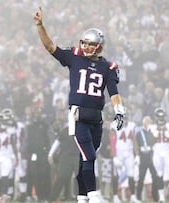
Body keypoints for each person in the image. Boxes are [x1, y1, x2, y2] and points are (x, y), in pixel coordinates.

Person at [33, 7, 125, 203]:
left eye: (91, 44)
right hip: (78, 115)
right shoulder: (73, 56)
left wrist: (119, 111)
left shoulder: (108, 67)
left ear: (100, 46)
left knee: (87, 159)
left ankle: (82, 197)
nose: (86, 46)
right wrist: (41, 26)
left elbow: (113, 92)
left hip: (96, 118)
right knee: (89, 156)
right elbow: (50, 47)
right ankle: (93, 194)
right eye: (84, 42)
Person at [151, 108, 169, 203]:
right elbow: (150, 142)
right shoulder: (152, 127)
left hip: (168, 152)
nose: (160, 119)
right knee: (159, 174)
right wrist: (156, 133)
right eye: (159, 117)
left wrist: (167, 133)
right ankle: (161, 197)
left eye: (162, 116)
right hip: (157, 153)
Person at [48, 123, 79, 202]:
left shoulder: (83, 130)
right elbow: (58, 141)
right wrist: (51, 154)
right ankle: (53, 198)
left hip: (78, 156)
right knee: (61, 177)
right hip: (66, 157)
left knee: (80, 178)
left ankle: (80, 198)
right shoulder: (66, 130)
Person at [111, 119, 139, 203]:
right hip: (119, 153)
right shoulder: (114, 125)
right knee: (115, 175)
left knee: (131, 175)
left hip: (129, 153)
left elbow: (134, 140)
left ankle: (133, 197)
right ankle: (115, 197)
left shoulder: (131, 125)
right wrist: (114, 156)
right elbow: (112, 140)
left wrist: (137, 154)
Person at [133, 116, 158, 202]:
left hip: (149, 156)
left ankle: (155, 196)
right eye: (148, 122)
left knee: (155, 175)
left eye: (150, 122)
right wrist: (137, 155)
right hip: (143, 157)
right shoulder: (139, 133)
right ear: (144, 123)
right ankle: (138, 197)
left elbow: (154, 141)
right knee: (141, 178)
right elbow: (135, 144)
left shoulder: (150, 132)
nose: (149, 123)